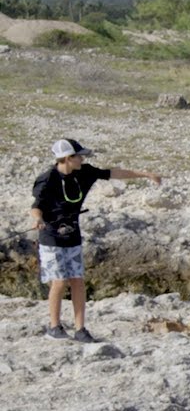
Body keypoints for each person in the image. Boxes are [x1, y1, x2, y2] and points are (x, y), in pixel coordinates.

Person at [30, 138, 162, 342]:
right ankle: (54, 326)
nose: (82, 159)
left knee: (77, 280)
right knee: (59, 281)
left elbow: (112, 173)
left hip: (72, 235)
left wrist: (145, 174)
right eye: (79, 156)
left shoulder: (85, 172)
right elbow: (36, 205)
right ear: (67, 158)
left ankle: (80, 328)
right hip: (51, 237)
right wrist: (38, 219)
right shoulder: (47, 179)